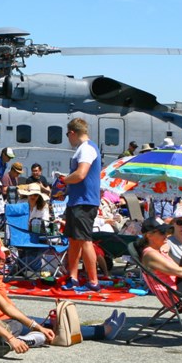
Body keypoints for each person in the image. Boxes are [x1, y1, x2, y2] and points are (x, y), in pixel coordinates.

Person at [61, 118, 101, 292]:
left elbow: (80, 174)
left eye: (68, 135)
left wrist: (64, 179)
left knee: (85, 240)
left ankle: (93, 281)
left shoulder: (86, 149)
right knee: (74, 240)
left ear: (72, 133)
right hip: (77, 200)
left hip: (84, 202)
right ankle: (73, 277)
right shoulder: (85, 148)